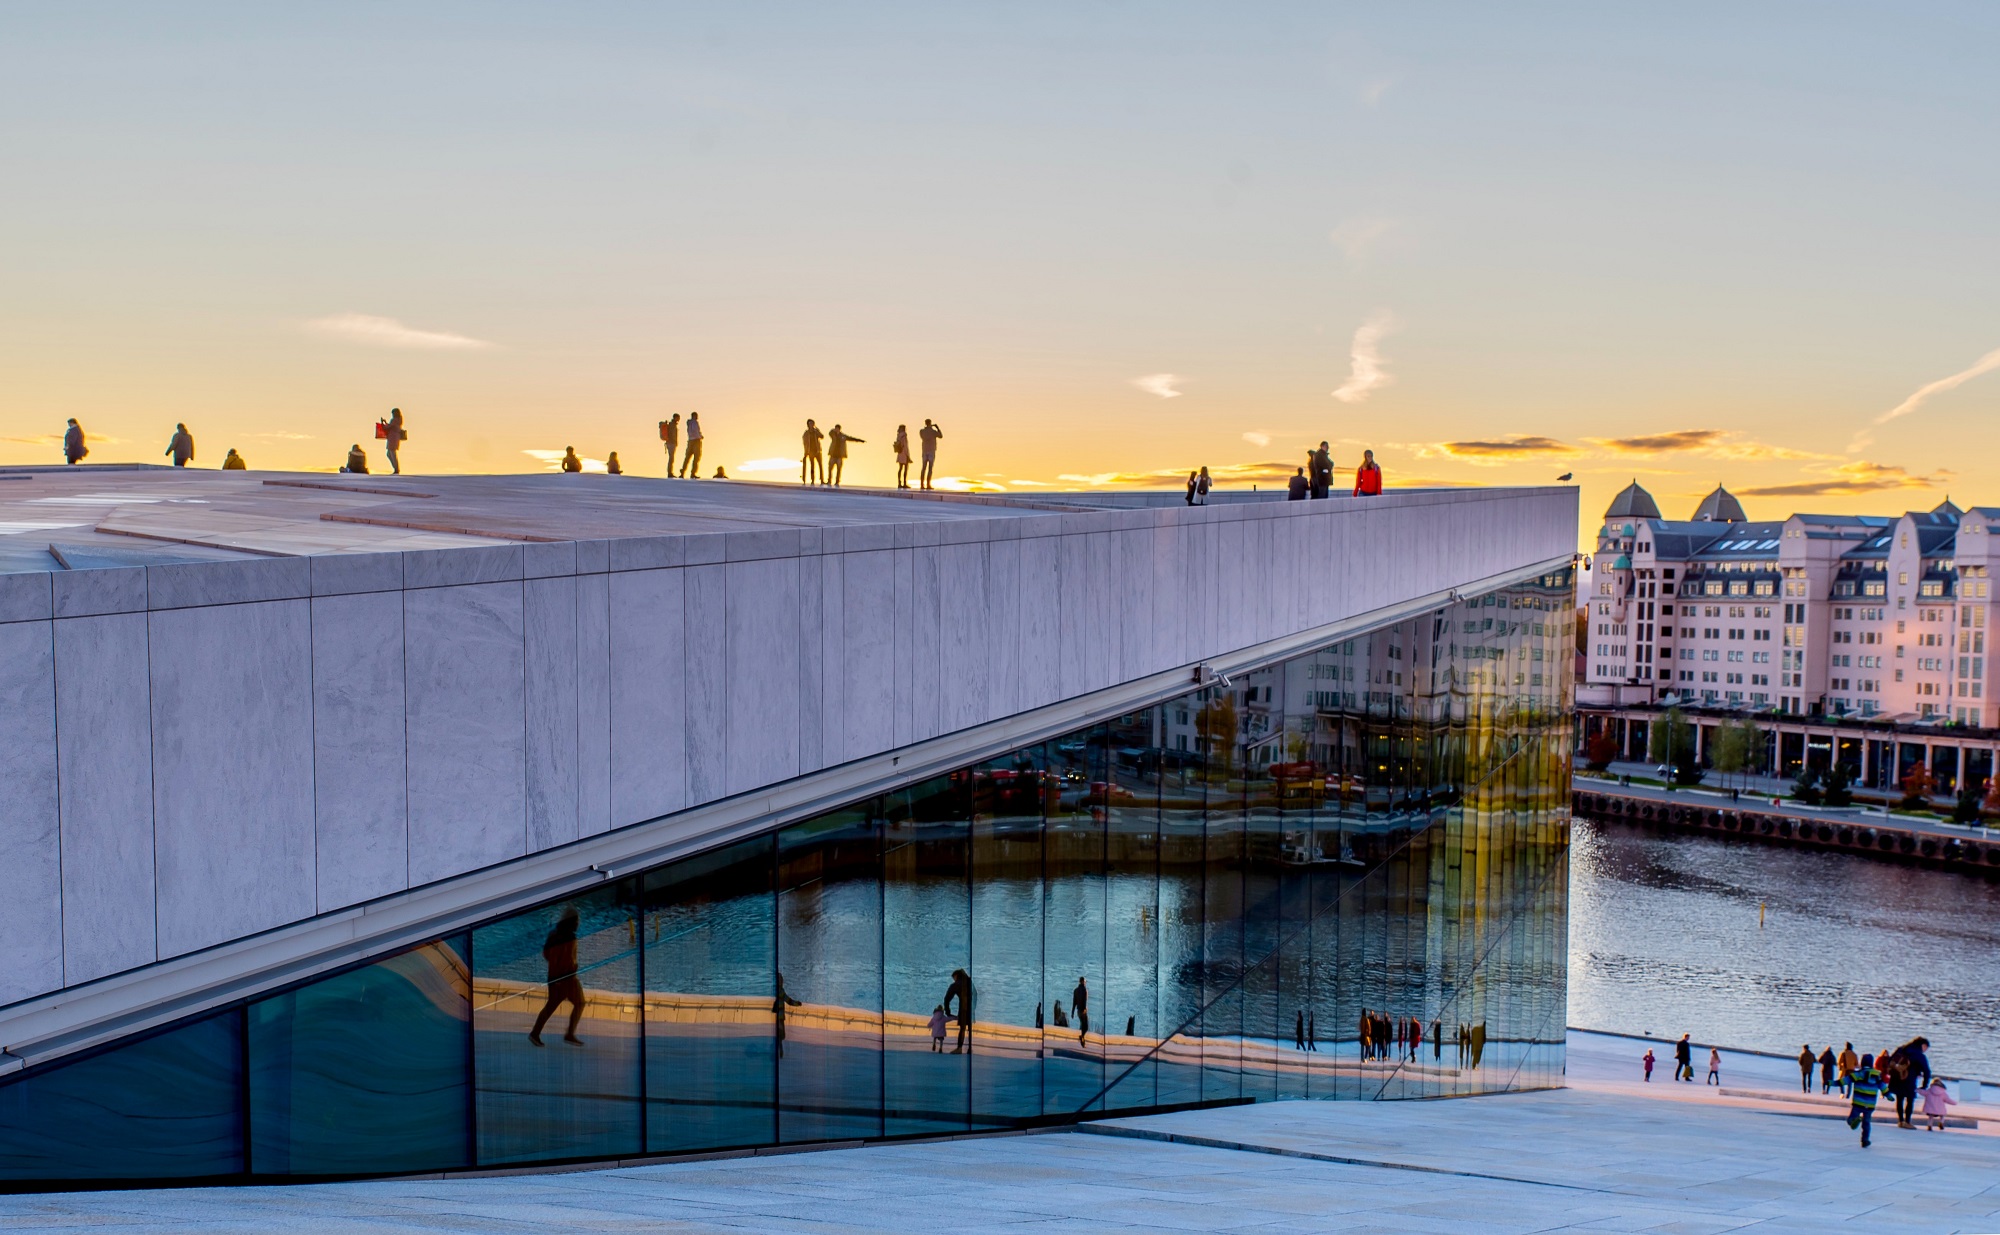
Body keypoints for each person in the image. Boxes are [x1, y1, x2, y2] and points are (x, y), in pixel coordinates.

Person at [528, 907, 585, 1046]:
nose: (578, 923)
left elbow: (547, 955)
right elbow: (566, 959)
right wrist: (569, 970)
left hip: (556, 977)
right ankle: (569, 1034)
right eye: (577, 921)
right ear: (572, 922)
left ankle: (536, 1033)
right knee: (579, 1003)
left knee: (552, 1005)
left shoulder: (554, 935)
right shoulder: (569, 938)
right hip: (566, 978)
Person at [1847, 1053, 1883, 1147]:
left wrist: (1832, 1083)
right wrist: (1888, 1094)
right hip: (1870, 1104)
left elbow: (1845, 1081)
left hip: (1858, 1102)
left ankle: (1856, 1120)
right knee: (1866, 1123)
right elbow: (1882, 1086)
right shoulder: (1877, 1075)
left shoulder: (1858, 1074)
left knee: (1850, 1120)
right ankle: (1865, 1140)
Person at [944, 968, 974, 1054]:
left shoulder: (956, 985)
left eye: (953, 978)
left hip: (963, 1008)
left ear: (956, 976)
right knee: (969, 1028)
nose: (954, 979)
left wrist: (948, 1012)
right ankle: (969, 1048)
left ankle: (959, 1048)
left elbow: (947, 999)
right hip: (971, 1007)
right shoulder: (970, 981)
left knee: (963, 1028)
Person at [773, 973, 803, 1058]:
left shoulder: (774, 991)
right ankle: (780, 1051)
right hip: (780, 1017)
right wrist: (798, 1003)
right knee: (780, 1035)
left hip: (776, 1016)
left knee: (778, 1034)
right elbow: (789, 1001)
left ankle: (779, 1051)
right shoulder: (781, 991)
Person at [918, 418, 943, 489]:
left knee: (923, 468)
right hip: (931, 450)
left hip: (924, 450)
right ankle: (928, 484)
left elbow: (922, 436)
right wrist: (937, 428)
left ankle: (922, 484)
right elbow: (941, 436)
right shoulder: (933, 432)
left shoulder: (922, 431)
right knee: (930, 468)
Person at [383, 407, 406, 475]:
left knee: (392, 453)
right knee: (390, 453)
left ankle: (396, 468)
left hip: (392, 437)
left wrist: (383, 424)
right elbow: (391, 426)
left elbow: (387, 427)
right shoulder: (399, 420)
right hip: (395, 437)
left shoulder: (394, 420)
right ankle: (395, 468)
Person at [801, 419, 824, 485]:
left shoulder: (816, 431)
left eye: (812, 423)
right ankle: (812, 479)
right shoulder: (806, 433)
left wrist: (817, 430)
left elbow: (822, 436)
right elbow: (804, 442)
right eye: (810, 423)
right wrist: (806, 451)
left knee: (820, 465)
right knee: (812, 466)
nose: (811, 425)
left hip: (817, 451)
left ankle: (822, 479)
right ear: (808, 425)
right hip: (810, 451)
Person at [681, 412, 704, 477]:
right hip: (696, 441)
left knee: (687, 458)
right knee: (696, 458)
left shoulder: (689, 423)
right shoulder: (695, 423)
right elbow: (696, 431)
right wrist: (700, 436)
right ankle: (693, 473)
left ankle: (683, 472)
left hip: (690, 440)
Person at [1072, 976, 1090, 1044]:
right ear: (1082, 981)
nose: (1085, 983)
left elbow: (1074, 1002)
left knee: (1082, 1025)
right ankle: (1082, 1037)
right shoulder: (1085, 990)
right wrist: (1085, 1008)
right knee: (1086, 1027)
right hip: (1083, 1011)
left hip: (1078, 1011)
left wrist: (1072, 1012)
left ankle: (1082, 1039)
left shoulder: (1075, 990)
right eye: (1085, 982)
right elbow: (1084, 1000)